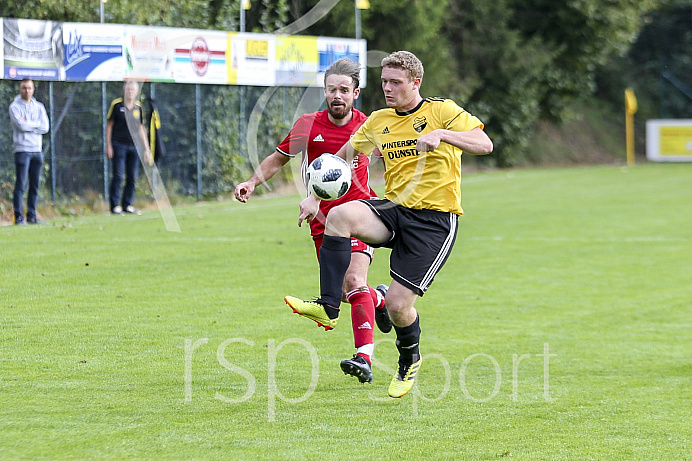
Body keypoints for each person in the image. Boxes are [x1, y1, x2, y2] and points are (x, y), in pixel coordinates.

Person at [285, 51, 494, 398]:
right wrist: (315, 195)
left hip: (434, 221)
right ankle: (328, 306)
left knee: (399, 307)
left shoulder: (441, 111)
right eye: (384, 81)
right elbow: (343, 158)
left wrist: (443, 134)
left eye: (395, 82)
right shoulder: (380, 120)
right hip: (394, 209)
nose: (388, 88)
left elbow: (484, 143)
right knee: (339, 216)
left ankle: (408, 360)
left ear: (416, 82)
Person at [235, 58, 392, 384]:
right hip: (322, 223)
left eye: (344, 90)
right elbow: (279, 158)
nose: (337, 96)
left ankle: (364, 358)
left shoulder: (368, 126)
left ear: (356, 93)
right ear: (324, 91)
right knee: (351, 293)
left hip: (360, 213)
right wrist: (251, 182)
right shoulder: (308, 124)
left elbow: (391, 160)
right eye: (332, 89)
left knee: (352, 282)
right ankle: (382, 300)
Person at [106, 81, 150, 215]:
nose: (130, 91)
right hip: (118, 145)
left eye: (133, 89)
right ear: (124, 91)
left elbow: (141, 128)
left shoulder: (139, 108)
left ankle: (127, 204)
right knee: (118, 175)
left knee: (132, 177)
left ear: (137, 92)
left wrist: (146, 149)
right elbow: (109, 126)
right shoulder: (116, 105)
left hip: (134, 146)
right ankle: (115, 206)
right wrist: (108, 145)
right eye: (128, 89)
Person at [9, 78, 50, 225]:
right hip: (22, 150)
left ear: (33, 89)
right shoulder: (14, 107)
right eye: (24, 88)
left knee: (35, 184)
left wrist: (28, 123)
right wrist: (35, 125)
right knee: (21, 184)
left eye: (29, 88)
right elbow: (20, 126)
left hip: (37, 150)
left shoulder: (39, 107)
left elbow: (45, 127)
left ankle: (32, 216)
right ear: (20, 89)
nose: (27, 91)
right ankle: (19, 217)